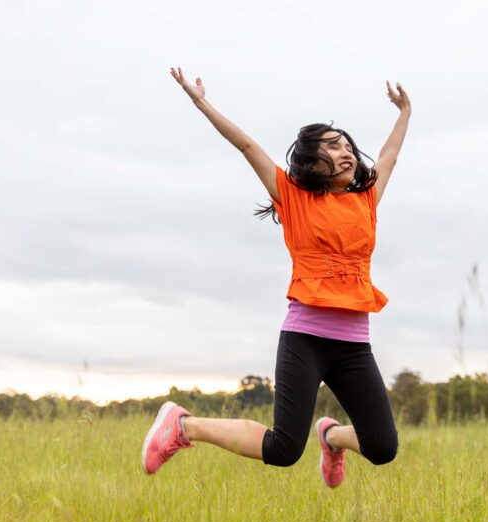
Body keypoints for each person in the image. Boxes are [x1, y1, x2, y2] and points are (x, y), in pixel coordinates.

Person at [143, 67, 411, 488]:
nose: (344, 152)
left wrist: (404, 113)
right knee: (284, 449)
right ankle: (184, 425)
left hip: (354, 345)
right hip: (306, 338)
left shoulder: (366, 200)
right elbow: (246, 144)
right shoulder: (292, 196)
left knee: (383, 448)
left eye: (346, 145)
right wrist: (200, 103)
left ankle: (331, 436)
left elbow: (390, 156)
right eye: (331, 147)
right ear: (312, 162)